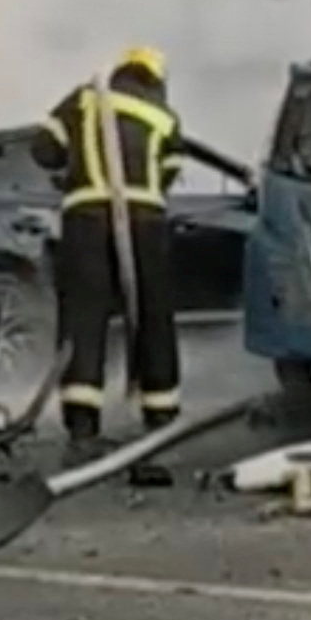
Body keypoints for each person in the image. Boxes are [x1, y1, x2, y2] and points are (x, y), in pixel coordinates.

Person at [31, 46, 183, 443]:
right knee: (154, 314)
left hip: (87, 219)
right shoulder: (163, 117)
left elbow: (42, 150)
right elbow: (170, 170)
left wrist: (74, 167)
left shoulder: (85, 98)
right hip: (147, 222)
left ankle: (83, 420)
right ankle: (161, 415)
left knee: (84, 315)